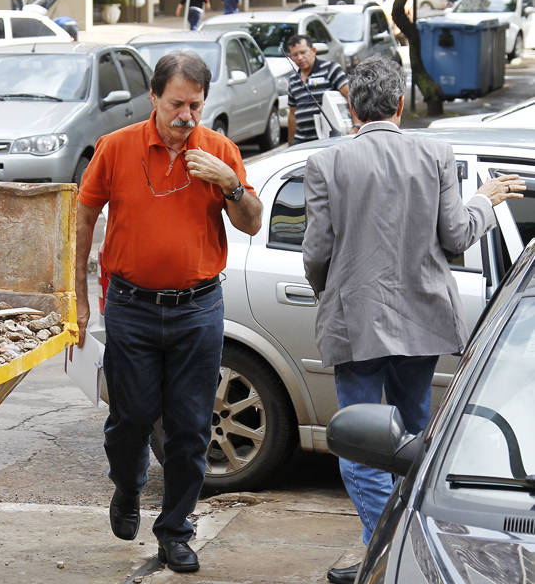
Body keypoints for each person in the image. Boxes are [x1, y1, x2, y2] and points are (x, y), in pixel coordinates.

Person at [301, 56, 525, 584]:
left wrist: (331, 296)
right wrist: (482, 202)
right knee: (412, 442)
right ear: (400, 104)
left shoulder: (326, 165)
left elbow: (316, 254)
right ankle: (400, 551)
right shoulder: (436, 154)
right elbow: (457, 236)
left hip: (355, 324)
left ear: (353, 107)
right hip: (421, 323)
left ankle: (387, 551)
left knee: (360, 445)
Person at [74, 51, 262, 574]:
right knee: (129, 420)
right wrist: (79, 293)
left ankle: (175, 531)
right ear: (154, 97)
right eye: (177, 103)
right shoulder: (116, 148)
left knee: (189, 428)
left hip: (198, 309)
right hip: (131, 306)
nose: (186, 116)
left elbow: (251, 224)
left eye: (196, 106)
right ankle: (128, 487)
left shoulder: (218, 150)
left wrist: (230, 183)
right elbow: (83, 214)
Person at [285, 34, 349, 145]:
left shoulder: (331, 69)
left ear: (313, 51)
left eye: (303, 52)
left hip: (329, 138)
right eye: (295, 54)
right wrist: (290, 143)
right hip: (301, 141)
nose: (300, 58)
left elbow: (350, 96)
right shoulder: (293, 80)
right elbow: (292, 113)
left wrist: (357, 126)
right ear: (290, 57)